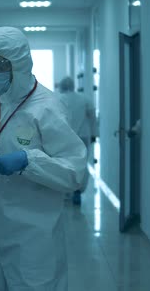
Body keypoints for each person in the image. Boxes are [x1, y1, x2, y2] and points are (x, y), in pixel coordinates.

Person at [0, 27, 87, 291]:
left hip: (33, 243)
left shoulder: (47, 108)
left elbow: (75, 172)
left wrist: (29, 161)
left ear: (19, 64)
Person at [58, 76, 98, 205]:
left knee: (64, 165)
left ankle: (66, 192)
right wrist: (94, 135)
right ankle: (78, 192)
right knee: (81, 165)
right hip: (83, 137)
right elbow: (93, 118)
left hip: (64, 138)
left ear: (61, 86)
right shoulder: (85, 99)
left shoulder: (58, 99)